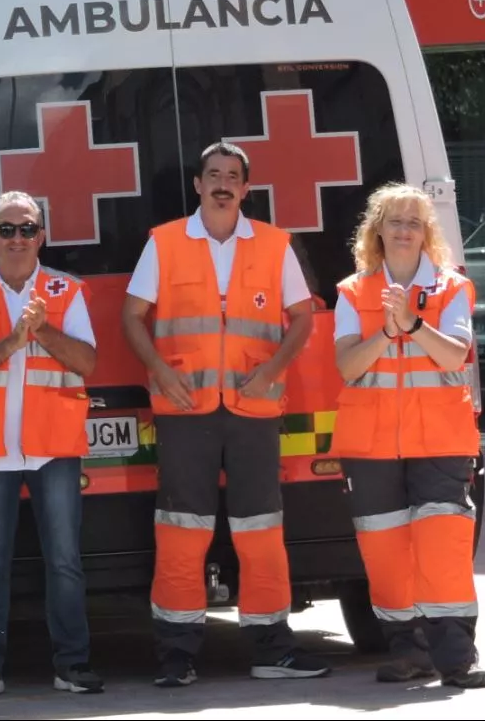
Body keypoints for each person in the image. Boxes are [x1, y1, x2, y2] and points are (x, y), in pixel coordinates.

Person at [121, 141, 332, 687]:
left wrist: (271, 372)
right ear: (197, 184)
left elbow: (303, 318)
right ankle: (177, 652)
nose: (221, 183)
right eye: (212, 174)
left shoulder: (273, 244)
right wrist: (161, 373)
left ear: (245, 188)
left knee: (260, 530)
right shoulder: (164, 243)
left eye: (232, 176)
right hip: (185, 407)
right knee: (180, 532)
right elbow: (132, 315)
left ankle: (271, 648)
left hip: (253, 408)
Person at [330, 182, 485, 689]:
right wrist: (386, 331)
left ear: (427, 233)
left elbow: (453, 356)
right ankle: (408, 653)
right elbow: (348, 367)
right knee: (386, 554)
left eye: (414, 222)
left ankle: (456, 661)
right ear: (377, 230)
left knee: (442, 551)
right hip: (372, 446)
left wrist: (412, 322)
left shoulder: (451, 288)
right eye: (395, 221)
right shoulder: (353, 292)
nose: (404, 230)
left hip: (440, 442)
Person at [0, 191, 104, 700]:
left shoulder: (67, 290)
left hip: (53, 446)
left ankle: (73, 665)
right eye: (7, 229)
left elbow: (86, 362)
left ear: (42, 236)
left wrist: (44, 330)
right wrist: (12, 343)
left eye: (28, 228)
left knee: (65, 560)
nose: (18, 238)